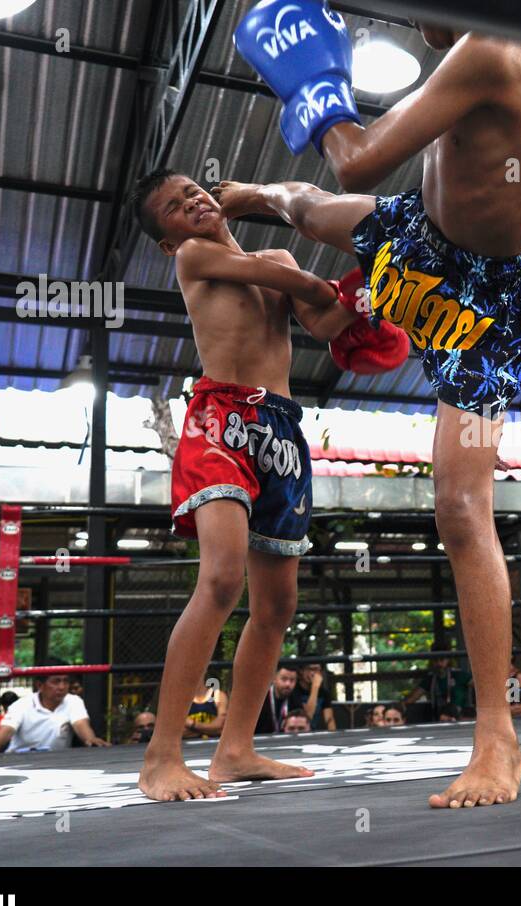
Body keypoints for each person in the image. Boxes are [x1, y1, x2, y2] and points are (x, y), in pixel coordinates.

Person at [223, 1, 521, 809]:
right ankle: (245, 191)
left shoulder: (491, 45)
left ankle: (499, 736)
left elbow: (354, 161)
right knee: (308, 211)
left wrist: (311, 80)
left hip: (486, 319)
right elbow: (507, 162)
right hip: (425, 244)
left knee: (460, 502)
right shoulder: (487, 57)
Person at [126, 167, 382, 801]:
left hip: (283, 430)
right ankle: (161, 756)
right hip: (221, 421)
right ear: (168, 240)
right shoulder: (195, 257)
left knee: (277, 606)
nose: (192, 202)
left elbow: (322, 322)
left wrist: (371, 301)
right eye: (176, 207)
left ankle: (235, 750)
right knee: (220, 577)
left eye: (194, 191)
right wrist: (335, 284)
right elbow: (292, 284)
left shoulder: (274, 251)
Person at [0, 664, 109, 753]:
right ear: (40, 685)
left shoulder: (73, 701)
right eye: (56, 681)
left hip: (56, 763)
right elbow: (7, 730)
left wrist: (91, 740)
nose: (62, 687)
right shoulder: (21, 705)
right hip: (19, 761)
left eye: (65, 681)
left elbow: (81, 724)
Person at [404, 652, 473, 721]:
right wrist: (400, 706)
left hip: (462, 719)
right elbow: (412, 698)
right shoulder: (430, 679)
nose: (439, 663)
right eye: (436, 660)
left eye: (442, 659)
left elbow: (480, 687)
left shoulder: (459, 675)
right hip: (439, 719)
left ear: (448, 660)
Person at [257, 665, 301, 735]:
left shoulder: (296, 699)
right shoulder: (260, 699)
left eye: (292, 680)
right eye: (284, 679)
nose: (288, 684)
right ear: (274, 678)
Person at [292, 664, 337, 731]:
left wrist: (333, 736)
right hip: (297, 733)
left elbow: (329, 719)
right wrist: (315, 687)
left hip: (314, 734)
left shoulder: (324, 693)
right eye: (309, 669)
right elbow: (307, 718)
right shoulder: (294, 690)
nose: (312, 673)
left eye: (316, 669)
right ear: (301, 671)